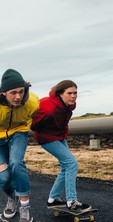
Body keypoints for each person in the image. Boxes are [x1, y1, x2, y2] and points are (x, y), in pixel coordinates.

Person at [0, 69, 39, 222]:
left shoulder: (32, 103)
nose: (18, 97)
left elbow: (32, 116)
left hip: (18, 132)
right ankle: (13, 197)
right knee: (4, 177)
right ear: (4, 92)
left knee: (16, 163)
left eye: (21, 92)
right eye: (13, 93)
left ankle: (25, 208)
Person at [31, 80, 92, 211]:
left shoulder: (69, 104)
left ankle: (53, 199)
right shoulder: (48, 107)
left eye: (75, 93)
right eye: (69, 93)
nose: (73, 96)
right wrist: (45, 129)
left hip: (59, 136)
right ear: (60, 94)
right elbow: (33, 124)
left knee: (66, 166)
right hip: (46, 138)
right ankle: (72, 201)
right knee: (71, 163)